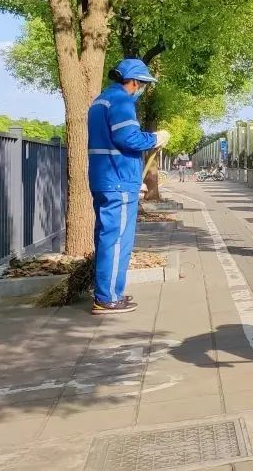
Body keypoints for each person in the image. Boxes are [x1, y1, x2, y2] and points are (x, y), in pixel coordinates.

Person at [87, 58, 169, 315]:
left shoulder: (100, 101)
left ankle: (106, 290)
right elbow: (128, 138)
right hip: (118, 180)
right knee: (117, 240)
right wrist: (155, 137)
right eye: (143, 85)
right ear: (134, 82)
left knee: (105, 236)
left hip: (107, 179)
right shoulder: (121, 101)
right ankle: (108, 297)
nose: (142, 90)